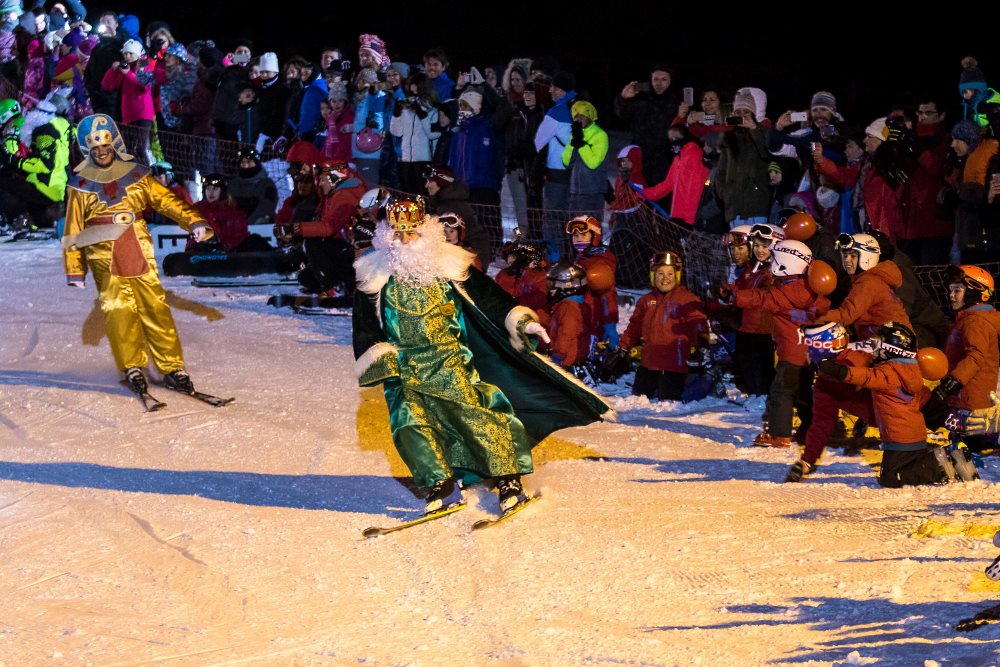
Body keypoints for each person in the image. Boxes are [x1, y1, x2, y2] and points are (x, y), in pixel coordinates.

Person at [352, 197, 611, 516]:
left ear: (425, 232)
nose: (405, 240)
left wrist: (523, 321)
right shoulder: (373, 276)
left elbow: (491, 298)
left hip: (448, 360)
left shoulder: (449, 265)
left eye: (412, 233)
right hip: (404, 366)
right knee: (408, 424)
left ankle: (508, 480)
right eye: (398, 234)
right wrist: (382, 360)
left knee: (479, 417)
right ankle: (442, 485)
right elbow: (365, 326)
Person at [61, 114, 213, 397]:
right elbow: (73, 228)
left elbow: (167, 201)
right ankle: (132, 365)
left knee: (154, 305)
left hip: (136, 245)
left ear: (115, 144)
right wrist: (74, 268)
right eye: (95, 148)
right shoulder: (79, 185)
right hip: (102, 250)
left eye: (105, 146)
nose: (101, 152)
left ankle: (171, 367)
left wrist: (194, 222)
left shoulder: (137, 175)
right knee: (118, 310)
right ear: (87, 150)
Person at [805, 322, 970, 487]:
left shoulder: (887, 373)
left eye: (879, 342)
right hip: (908, 434)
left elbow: (865, 377)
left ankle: (947, 462)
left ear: (891, 348)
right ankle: (945, 459)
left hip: (901, 437)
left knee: (892, 477)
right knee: (895, 471)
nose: (874, 346)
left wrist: (836, 370)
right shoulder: (904, 368)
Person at [725, 240, 830, 447]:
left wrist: (733, 296)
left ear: (785, 263)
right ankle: (812, 428)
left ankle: (779, 433)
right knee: (802, 393)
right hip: (809, 353)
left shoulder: (781, 292)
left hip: (790, 354)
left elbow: (758, 298)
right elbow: (824, 305)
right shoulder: (810, 289)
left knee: (780, 392)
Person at [923, 265, 1000, 456]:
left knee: (932, 414)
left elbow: (975, 357)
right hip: (963, 397)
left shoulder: (976, 321)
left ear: (977, 293)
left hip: (971, 401)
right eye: (950, 290)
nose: (951, 295)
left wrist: (950, 384)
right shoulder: (968, 318)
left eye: (958, 290)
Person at [620, 251, 709, 401]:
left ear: (677, 275)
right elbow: (634, 327)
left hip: (674, 364)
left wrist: (702, 343)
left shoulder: (687, 299)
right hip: (649, 363)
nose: (665, 278)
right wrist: (622, 348)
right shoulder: (646, 301)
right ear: (653, 275)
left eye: (669, 274)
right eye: (660, 274)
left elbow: (698, 323)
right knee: (638, 398)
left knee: (668, 400)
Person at [286, 160, 366, 297]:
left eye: (322, 179)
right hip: (346, 249)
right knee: (306, 278)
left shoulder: (345, 196)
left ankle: (335, 287)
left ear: (335, 177)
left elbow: (328, 228)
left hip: (357, 252)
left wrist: (296, 229)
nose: (320, 183)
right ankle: (338, 283)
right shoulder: (334, 193)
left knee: (313, 243)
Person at [725, 225, 774, 397]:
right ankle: (752, 393)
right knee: (746, 363)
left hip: (761, 329)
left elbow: (758, 295)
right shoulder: (749, 270)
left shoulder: (767, 271)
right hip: (747, 326)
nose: (736, 253)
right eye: (733, 249)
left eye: (741, 248)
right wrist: (725, 291)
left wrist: (734, 295)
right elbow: (740, 287)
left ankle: (761, 395)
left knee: (760, 366)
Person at [613, 64, 679, 187]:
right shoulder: (641, 101)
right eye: (656, 79)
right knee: (639, 198)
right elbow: (621, 113)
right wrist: (623, 98)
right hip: (640, 159)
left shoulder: (677, 104)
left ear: (670, 82)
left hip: (666, 160)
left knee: (663, 199)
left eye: (664, 79)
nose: (659, 83)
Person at [545, 262, 593, 371]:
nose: (550, 289)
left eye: (552, 285)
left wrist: (558, 356)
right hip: (573, 355)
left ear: (566, 286)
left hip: (566, 358)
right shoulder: (579, 303)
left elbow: (566, 333)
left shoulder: (568, 308)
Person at [228, 146, 277, 226]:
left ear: (256, 163)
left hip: (258, 226)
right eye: (243, 163)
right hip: (236, 226)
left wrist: (247, 225)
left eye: (249, 162)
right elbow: (229, 207)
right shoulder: (234, 184)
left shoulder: (266, 184)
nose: (246, 166)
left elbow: (266, 207)